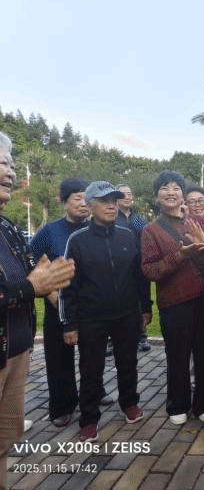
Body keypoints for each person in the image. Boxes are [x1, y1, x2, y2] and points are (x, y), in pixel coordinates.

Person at [0, 131, 75, 489]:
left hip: (15, 352)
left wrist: (51, 286)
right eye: (1, 163)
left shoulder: (7, 228)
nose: (10, 171)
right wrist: (33, 287)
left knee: (5, 438)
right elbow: (30, 283)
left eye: (11, 164)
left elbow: (34, 268)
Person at [60, 181, 150, 442]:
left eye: (114, 200)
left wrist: (145, 306)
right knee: (91, 370)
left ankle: (129, 403)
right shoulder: (77, 240)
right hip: (91, 317)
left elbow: (140, 276)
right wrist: (69, 323)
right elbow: (68, 284)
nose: (112, 206)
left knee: (128, 363)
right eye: (104, 201)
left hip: (127, 314)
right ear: (90, 206)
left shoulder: (128, 235)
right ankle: (89, 418)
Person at [141, 171, 204, 426]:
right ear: (157, 197)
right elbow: (150, 270)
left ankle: (203, 403)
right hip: (174, 303)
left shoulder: (198, 221)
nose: (171, 192)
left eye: (176, 187)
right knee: (177, 355)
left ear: (183, 194)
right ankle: (177, 404)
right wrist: (181, 255)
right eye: (165, 188)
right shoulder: (151, 230)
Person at [30, 179, 114, 428]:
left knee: (93, 354)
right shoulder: (49, 232)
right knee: (59, 356)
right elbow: (32, 263)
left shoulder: (96, 229)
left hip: (90, 306)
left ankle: (95, 391)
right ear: (64, 202)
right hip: (57, 303)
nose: (82, 203)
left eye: (86, 198)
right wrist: (51, 295)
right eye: (76, 198)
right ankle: (62, 405)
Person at [115, 183, 152, 353]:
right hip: (118, 268)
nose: (127, 197)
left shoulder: (139, 219)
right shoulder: (112, 218)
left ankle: (141, 336)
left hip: (138, 266)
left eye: (129, 194)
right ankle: (112, 338)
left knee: (141, 300)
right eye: (123, 194)